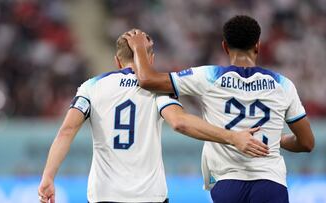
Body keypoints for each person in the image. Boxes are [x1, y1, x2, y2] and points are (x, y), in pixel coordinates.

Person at [37, 30, 269, 203]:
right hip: (150, 195)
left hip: (104, 194)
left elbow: (66, 131)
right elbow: (179, 122)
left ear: (118, 61)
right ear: (151, 60)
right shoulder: (157, 87)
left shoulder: (92, 86)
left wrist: (48, 177)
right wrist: (232, 137)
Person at [124, 15, 315, 203]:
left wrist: (139, 48)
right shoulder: (283, 84)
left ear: (224, 46)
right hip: (272, 183)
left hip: (228, 184)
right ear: (257, 45)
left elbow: (147, 80)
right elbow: (306, 143)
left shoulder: (208, 76)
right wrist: (277, 140)